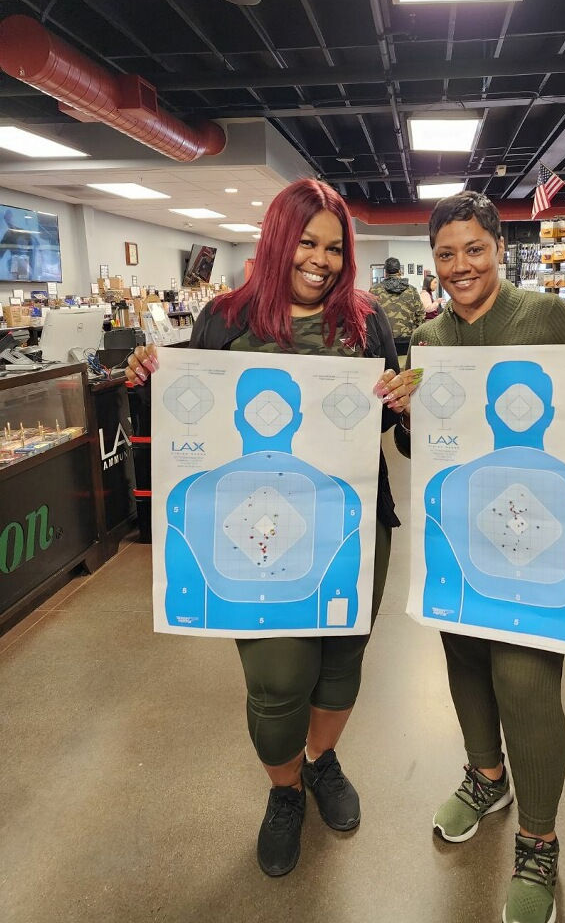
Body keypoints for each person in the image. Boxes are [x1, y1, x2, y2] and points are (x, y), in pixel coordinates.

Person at [384, 190, 565, 923]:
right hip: (462, 537)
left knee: (525, 681)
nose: (460, 266)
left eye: (474, 249)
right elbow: (422, 449)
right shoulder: (429, 337)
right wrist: (407, 417)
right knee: (464, 659)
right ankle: (488, 777)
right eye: (446, 254)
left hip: (542, 539)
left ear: (498, 248)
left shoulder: (546, 317)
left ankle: (539, 839)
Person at [126, 178, 420, 879]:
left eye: (334, 248)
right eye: (307, 243)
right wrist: (149, 380)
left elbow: (389, 430)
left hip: (351, 523)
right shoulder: (224, 320)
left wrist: (407, 405)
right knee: (279, 676)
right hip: (245, 527)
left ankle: (321, 761)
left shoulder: (366, 323)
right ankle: (284, 791)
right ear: (279, 240)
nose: (320, 260)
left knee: (342, 661)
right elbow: (186, 420)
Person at [369, 256, 425, 357]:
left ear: (385, 272)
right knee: (406, 366)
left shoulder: (374, 290)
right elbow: (421, 315)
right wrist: (414, 333)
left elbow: (369, 316)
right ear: (400, 271)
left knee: (387, 366)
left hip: (384, 340)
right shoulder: (411, 290)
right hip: (407, 340)